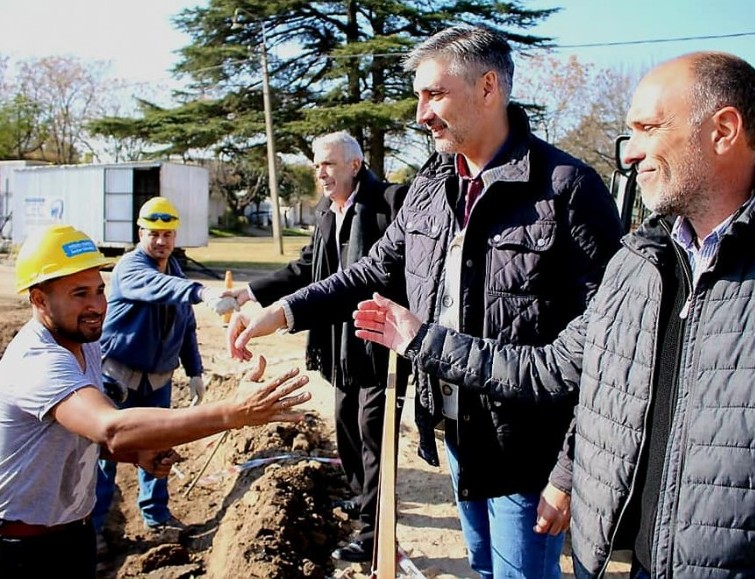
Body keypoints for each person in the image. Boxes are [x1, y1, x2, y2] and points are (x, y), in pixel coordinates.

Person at [352, 51, 755, 578]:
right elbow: (553, 370)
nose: (630, 153)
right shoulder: (637, 265)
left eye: (649, 129)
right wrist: (421, 340)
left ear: (723, 130)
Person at [228, 26, 622, 577]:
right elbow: (372, 270)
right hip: (456, 428)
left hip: (527, 448)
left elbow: (606, 349)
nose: (420, 114)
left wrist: (571, 468)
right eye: (419, 96)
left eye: (434, 95)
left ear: (489, 88)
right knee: (483, 567)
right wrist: (283, 311)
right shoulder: (432, 185)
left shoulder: (567, 188)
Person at [0, 224, 310, 578]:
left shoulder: (83, 341)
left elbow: (78, 434)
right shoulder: (39, 360)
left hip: (72, 533)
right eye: (79, 294)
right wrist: (233, 412)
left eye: (100, 291)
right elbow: (109, 428)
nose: (96, 306)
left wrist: (134, 454)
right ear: (39, 299)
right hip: (24, 548)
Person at [228, 131, 409, 563]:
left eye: (327, 164)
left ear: (354, 164)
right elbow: (307, 267)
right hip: (338, 343)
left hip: (377, 345)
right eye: (315, 164)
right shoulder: (328, 211)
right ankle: (359, 497)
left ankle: (375, 533)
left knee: (373, 437)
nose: (319, 172)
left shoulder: (390, 204)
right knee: (346, 425)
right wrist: (251, 293)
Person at [93, 196, 241, 543]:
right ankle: (94, 528)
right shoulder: (131, 268)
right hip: (119, 379)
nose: (161, 241)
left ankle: (156, 517)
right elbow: (162, 290)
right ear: (140, 232)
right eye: (154, 233)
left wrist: (195, 371)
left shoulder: (173, 269)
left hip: (157, 382)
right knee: (106, 456)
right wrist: (202, 292)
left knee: (158, 451)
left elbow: (185, 326)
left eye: (168, 234)